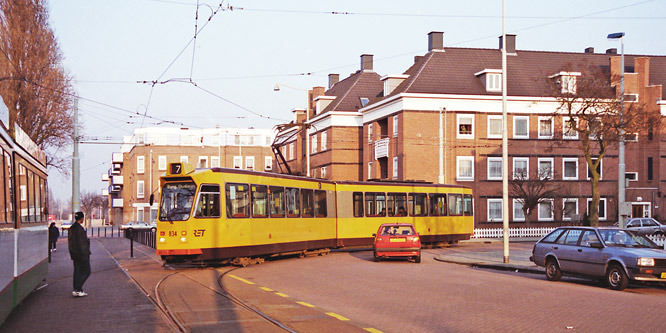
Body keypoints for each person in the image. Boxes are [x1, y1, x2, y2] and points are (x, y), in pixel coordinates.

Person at [68, 212, 91, 297]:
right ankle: (78, 288)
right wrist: (85, 254)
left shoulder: (72, 228)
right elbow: (82, 244)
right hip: (82, 254)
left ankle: (76, 289)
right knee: (87, 271)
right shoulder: (79, 229)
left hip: (74, 254)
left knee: (77, 271)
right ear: (82, 218)